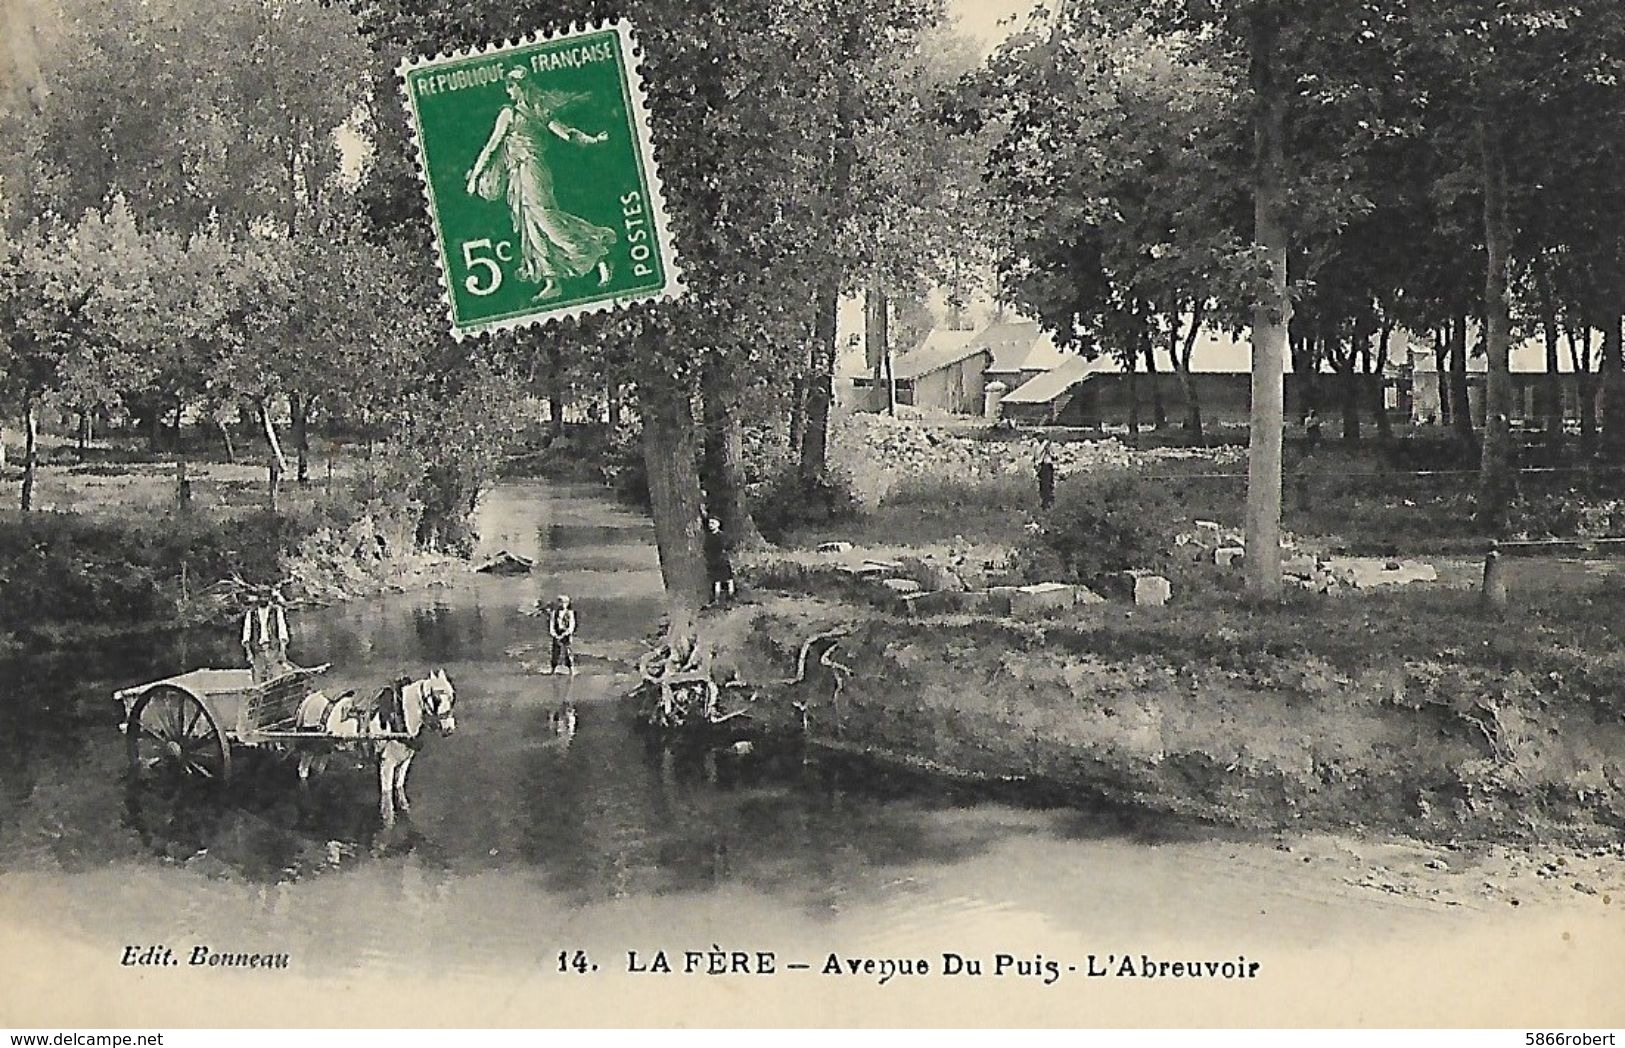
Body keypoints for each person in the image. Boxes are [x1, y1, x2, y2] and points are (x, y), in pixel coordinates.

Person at [465, 67, 617, 302]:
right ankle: (551, 280)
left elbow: (493, 145)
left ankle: (595, 255)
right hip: (519, 173)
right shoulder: (529, 111)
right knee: (530, 224)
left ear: (518, 87)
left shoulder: (520, 112)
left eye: (511, 86)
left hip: (532, 170)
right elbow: (567, 134)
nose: (509, 91)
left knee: (546, 218)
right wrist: (593, 139)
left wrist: (475, 177)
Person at [242, 588, 293, 684]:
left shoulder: (276, 611)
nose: (263, 599)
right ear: (258, 598)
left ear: (269, 598)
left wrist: (282, 651)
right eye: (261, 597)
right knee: (258, 679)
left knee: (275, 679)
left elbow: (282, 632)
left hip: (273, 649)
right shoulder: (251, 613)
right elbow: (247, 633)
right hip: (257, 650)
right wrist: (248, 652)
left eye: (266, 597)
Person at [704, 517, 736, 606]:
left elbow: (730, 544)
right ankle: (717, 599)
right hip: (714, 560)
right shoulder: (709, 537)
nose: (710, 525)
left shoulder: (722, 536)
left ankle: (730, 597)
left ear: (718, 524)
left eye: (713, 523)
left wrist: (725, 550)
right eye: (710, 523)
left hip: (723, 559)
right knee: (716, 580)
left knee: (728, 579)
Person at [548, 595, 577, 675]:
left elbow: (571, 626)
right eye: (560, 603)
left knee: (568, 652)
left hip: (566, 635)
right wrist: (554, 634)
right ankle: (553, 669)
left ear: (567, 604)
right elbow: (552, 624)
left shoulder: (570, 613)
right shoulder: (554, 613)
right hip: (557, 634)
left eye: (564, 603)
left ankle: (571, 669)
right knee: (555, 652)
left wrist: (565, 634)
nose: (562, 605)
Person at [1035, 443, 1057, 510]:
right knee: (1044, 486)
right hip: (1044, 467)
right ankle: (1045, 504)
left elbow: (1055, 456)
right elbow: (1037, 457)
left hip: (1048, 467)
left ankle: (1047, 504)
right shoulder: (1038, 447)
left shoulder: (1049, 450)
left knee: (1048, 486)